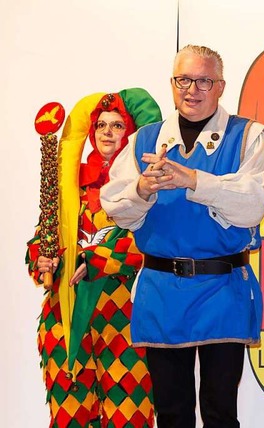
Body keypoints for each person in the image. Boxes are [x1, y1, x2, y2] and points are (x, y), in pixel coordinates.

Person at [100, 45, 264, 428]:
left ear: (221, 86)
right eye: (183, 80)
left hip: (222, 288)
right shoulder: (144, 140)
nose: (192, 89)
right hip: (162, 290)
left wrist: (193, 180)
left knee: (220, 411)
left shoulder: (248, 136)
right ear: (172, 83)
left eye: (203, 81)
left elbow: (253, 205)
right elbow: (115, 206)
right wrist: (143, 188)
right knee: (172, 411)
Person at [26, 89, 162, 427]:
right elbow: (43, 238)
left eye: (117, 126)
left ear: (130, 134)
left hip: (125, 317)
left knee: (128, 414)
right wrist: (41, 259)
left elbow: (151, 242)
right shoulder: (69, 187)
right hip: (65, 316)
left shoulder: (149, 187)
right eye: (101, 125)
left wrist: (99, 259)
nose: (107, 132)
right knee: (70, 416)